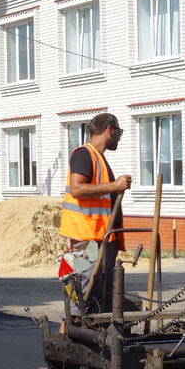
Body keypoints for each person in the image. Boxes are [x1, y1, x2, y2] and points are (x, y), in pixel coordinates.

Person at [58, 112, 132, 331]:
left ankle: (84, 344)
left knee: (95, 297)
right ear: (109, 129)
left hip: (100, 237)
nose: (119, 137)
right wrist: (114, 186)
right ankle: (62, 344)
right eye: (118, 132)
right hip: (85, 238)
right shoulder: (84, 155)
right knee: (81, 293)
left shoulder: (100, 159)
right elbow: (78, 189)